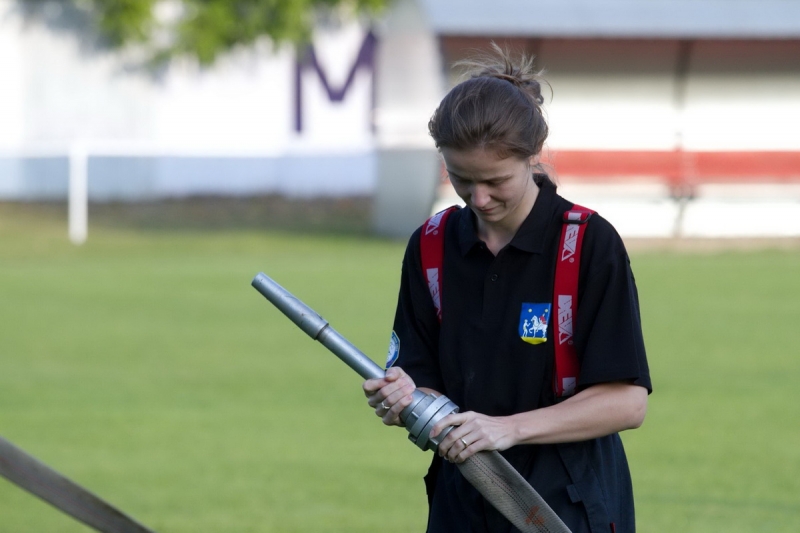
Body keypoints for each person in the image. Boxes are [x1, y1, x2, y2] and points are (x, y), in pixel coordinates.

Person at [363, 46, 651, 533]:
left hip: (568, 505)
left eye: (496, 181)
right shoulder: (430, 245)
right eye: (461, 179)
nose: (478, 198)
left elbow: (626, 402)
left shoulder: (588, 243)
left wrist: (507, 429)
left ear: (532, 156)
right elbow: (422, 380)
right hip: (461, 503)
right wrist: (405, 401)